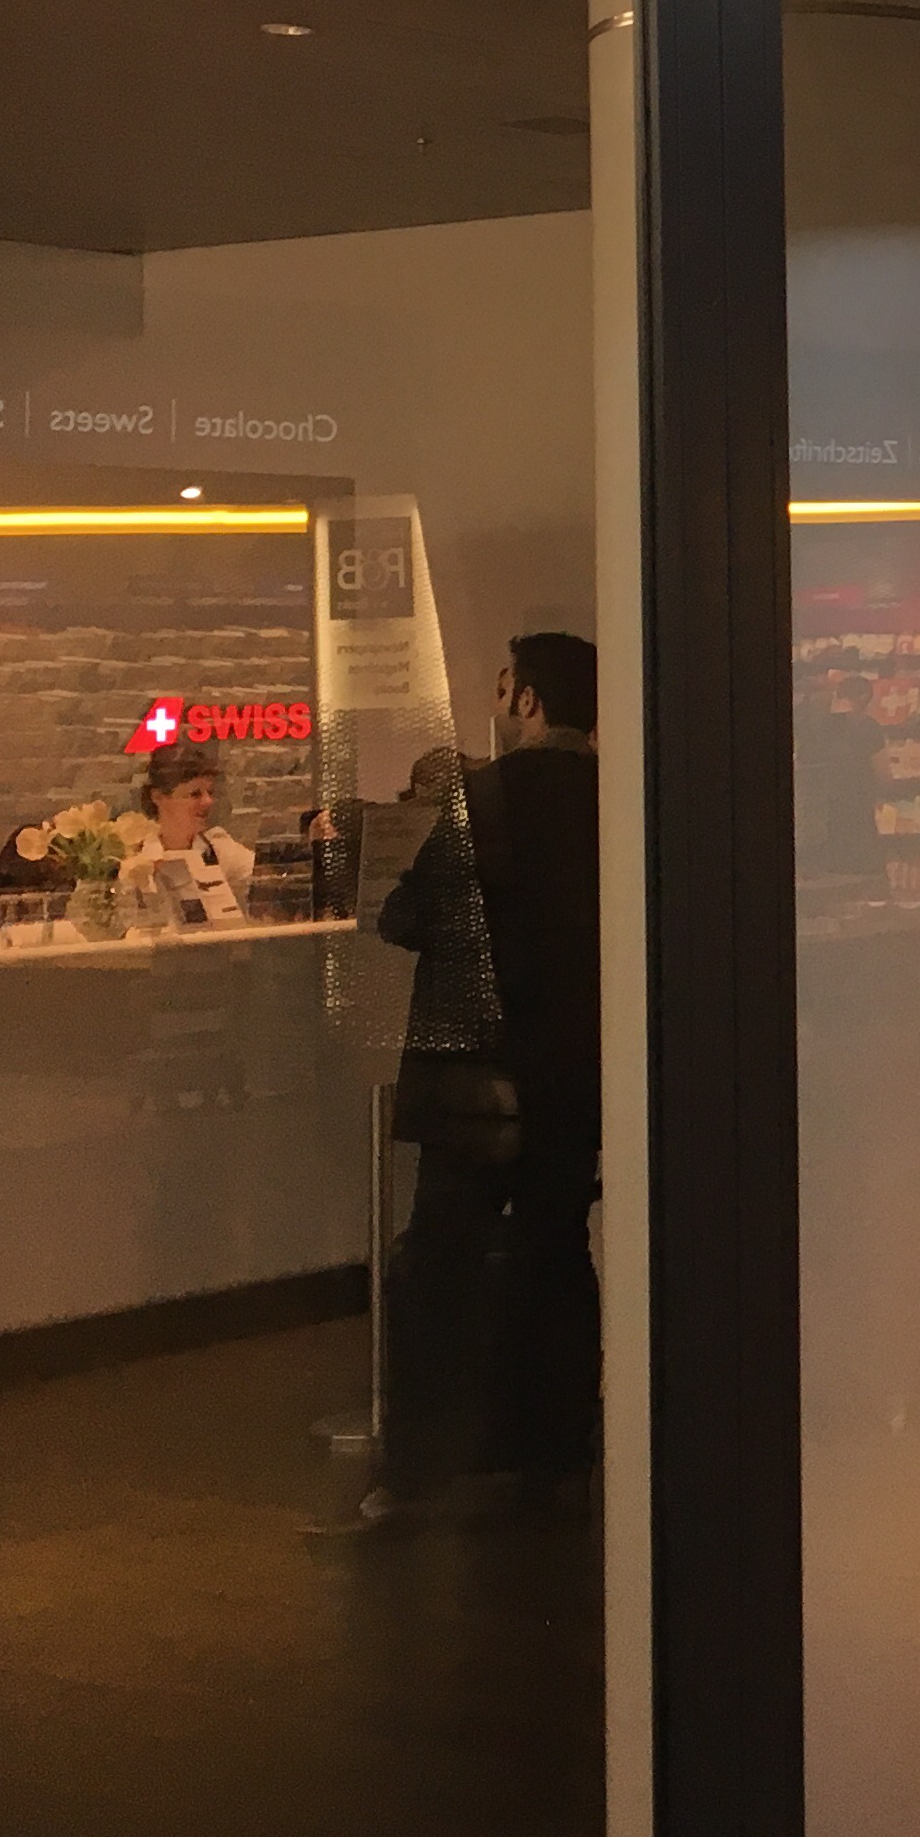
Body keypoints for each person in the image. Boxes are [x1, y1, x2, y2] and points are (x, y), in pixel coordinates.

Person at [367, 635, 604, 1517]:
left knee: (441, 1259)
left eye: (505, 688)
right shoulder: (617, 800)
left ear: (529, 701)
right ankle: (558, 1454)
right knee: (557, 1251)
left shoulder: (484, 801)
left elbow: (407, 918)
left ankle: (422, 1464)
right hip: (571, 1073)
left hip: (473, 1073)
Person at [125, 743, 255, 925]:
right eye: (195, 794)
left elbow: (264, 879)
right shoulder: (133, 857)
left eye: (209, 792)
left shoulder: (220, 851)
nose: (208, 801)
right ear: (158, 797)